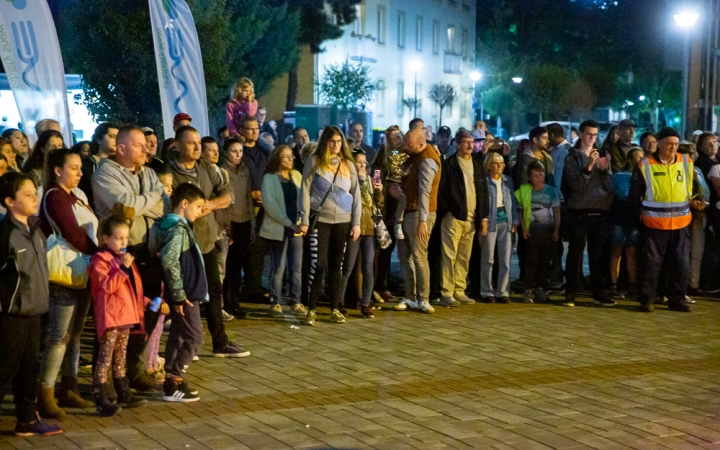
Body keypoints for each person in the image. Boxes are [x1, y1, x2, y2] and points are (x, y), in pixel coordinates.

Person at [92, 126, 168, 391]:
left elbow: (165, 206)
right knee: (116, 321)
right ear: (121, 148)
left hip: (149, 252)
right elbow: (124, 207)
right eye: (138, 145)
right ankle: (107, 379)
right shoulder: (106, 172)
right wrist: (150, 200)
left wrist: (140, 204)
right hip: (119, 256)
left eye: (146, 144)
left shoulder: (148, 172)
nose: (146, 149)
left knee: (144, 316)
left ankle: (133, 371)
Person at [166, 126, 249, 357]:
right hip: (183, 243)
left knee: (214, 289)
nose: (196, 147)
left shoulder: (206, 168)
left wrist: (211, 205)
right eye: (191, 143)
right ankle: (182, 345)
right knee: (185, 293)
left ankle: (220, 341)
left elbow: (229, 192)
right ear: (178, 145)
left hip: (207, 240)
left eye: (198, 143)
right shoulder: (169, 171)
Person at [37, 148, 98, 419]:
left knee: (73, 335)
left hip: (82, 274)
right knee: (59, 336)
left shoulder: (75, 197)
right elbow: (72, 233)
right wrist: (100, 253)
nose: (80, 173)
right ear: (57, 170)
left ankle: (69, 387)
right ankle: (45, 393)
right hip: (64, 275)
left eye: (80, 168)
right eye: (74, 168)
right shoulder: (55, 197)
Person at [0, 172, 63, 437]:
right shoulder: (5, 235)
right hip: (11, 315)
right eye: (26, 195)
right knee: (4, 368)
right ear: (9, 201)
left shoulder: (36, 228)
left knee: (29, 369)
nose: (34, 198)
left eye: (33, 192)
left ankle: (26, 419)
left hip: (35, 310)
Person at [630, 127, 697, 312]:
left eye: (676, 144)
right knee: (650, 264)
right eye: (669, 144)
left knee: (680, 264)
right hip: (653, 224)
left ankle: (677, 299)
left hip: (681, 223)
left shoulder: (686, 162)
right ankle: (647, 299)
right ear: (659, 144)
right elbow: (635, 196)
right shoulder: (644, 165)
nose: (673, 148)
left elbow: (692, 189)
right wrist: (639, 219)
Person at [150, 183, 207, 402]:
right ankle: (175, 377)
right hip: (185, 295)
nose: (200, 211)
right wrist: (179, 294)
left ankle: (170, 385)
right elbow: (170, 260)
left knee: (178, 335)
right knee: (194, 337)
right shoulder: (176, 229)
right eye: (198, 206)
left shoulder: (175, 227)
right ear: (184, 203)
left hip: (185, 293)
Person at [299, 126, 361, 325]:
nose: (335, 145)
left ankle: (335, 308)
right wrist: (304, 219)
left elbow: (356, 194)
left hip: (343, 221)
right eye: (332, 141)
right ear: (325, 142)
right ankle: (312, 309)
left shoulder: (348, 164)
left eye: (339, 141)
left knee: (337, 265)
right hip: (322, 220)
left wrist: (356, 222)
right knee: (320, 265)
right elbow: (305, 190)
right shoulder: (315, 161)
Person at [88, 216, 149, 416]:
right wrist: (123, 268)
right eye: (118, 238)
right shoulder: (100, 260)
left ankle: (124, 392)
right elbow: (107, 286)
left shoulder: (119, 259)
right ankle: (101, 396)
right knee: (105, 357)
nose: (123, 242)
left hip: (125, 317)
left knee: (120, 356)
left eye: (126, 238)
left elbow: (131, 290)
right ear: (106, 239)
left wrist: (147, 303)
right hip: (111, 317)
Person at [562, 120, 615, 307]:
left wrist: (603, 170)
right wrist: (590, 166)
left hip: (599, 212)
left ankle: (598, 293)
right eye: (588, 134)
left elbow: (609, 187)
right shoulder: (572, 158)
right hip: (578, 212)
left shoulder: (602, 155)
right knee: (575, 254)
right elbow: (577, 187)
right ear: (581, 134)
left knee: (597, 255)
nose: (592, 138)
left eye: (595, 134)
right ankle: (570, 292)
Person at [393, 127, 442, 314]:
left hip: (420, 213)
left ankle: (423, 299)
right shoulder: (413, 155)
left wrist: (423, 220)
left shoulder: (428, 160)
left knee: (419, 257)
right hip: (406, 211)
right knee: (404, 256)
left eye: (409, 145)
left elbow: (425, 192)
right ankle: (410, 297)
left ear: (422, 144)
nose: (405, 148)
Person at [438, 130, 488, 306]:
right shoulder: (449, 164)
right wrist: (448, 210)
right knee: (449, 256)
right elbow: (441, 190)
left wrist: (484, 217)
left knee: (464, 257)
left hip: (472, 218)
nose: (469, 145)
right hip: (454, 217)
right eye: (465, 142)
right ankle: (447, 292)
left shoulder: (477, 165)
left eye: (471, 142)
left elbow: (483, 192)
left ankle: (459, 290)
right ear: (457, 144)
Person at [260, 145, 307, 317]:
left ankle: (296, 301)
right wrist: (289, 223)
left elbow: (304, 199)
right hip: (278, 228)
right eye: (286, 156)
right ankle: (276, 302)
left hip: (296, 228)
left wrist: (302, 221)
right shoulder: (269, 178)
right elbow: (271, 206)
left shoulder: (297, 176)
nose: (290, 159)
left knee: (296, 267)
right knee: (278, 266)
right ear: (277, 159)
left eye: (291, 156)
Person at [338, 148, 384, 318]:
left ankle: (366, 303)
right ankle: (339, 301)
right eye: (359, 162)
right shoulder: (348, 181)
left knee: (368, 268)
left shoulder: (372, 180)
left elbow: (379, 205)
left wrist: (379, 191)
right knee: (348, 266)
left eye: (365, 162)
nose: (363, 165)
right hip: (354, 227)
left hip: (370, 228)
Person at [200, 136, 238, 321]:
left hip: (221, 229)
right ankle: (204, 306)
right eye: (211, 150)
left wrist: (228, 228)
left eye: (217, 149)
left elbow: (229, 200)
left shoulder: (222, 173)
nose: (216, 153)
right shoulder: (201, 173)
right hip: (206, 229)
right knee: (205, 272)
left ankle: (218, 307)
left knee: (220, 272)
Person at [220, 137, 256, 317]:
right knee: (227, 265)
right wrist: (226, 226)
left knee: (238, 266)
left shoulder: (245, 170)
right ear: (226, 152)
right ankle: (225, 302)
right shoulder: (221, 171)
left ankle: (235, 301)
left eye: (240, 151)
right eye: (234, 151)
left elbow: (248, 198)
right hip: (229, 222)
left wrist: (252, 223)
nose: (238, 154)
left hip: (244, 221)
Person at [516, 161, 561, 303]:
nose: (539, 178)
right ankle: (528, 289)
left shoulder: (551, 191)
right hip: (532, 231)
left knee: (544, 261)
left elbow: (556, 211)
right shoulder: (526, 191)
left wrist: (556, 229)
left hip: (547, 230)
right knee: (531, 261)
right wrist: (523, 228)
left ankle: (540, 288)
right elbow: (521, 211)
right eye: (535, 175)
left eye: (540, 174)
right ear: (530, 177)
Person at [239, 116, 269, 303]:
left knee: (259, 248)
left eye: (256, 128)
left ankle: (254, 287)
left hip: (264, 205)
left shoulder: (264, 151)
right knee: (245, 247)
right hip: (244, 204)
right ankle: (244, 287)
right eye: (249, 129)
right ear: (241, 130)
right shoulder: (238, 152)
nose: (254, 132)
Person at [480, 152, 517, 303]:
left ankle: (503, 291)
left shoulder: (507, 181)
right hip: (490, 221)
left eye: (501, 163)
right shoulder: (484, 182)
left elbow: (513, 201)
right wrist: (483, 219)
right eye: (495, 163)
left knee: (505, 258)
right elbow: (482, 202)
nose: (499, 166)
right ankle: (486, 291)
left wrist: (514, 220)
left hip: (505, 221)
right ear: (489, 165)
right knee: (488, 258)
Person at [372, 126, 404, 301]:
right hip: (385, 208)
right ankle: (378, 285)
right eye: (394, 138)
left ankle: (384, 283)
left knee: (391, 247)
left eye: (399, 137)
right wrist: (384, 191)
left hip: (399, 206)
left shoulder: (404, 155)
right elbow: (376, 179)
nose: (397, 141)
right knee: (382, 248)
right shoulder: (382, 157)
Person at [609, 147, 643, 299]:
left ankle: (632, 285)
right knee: (616, 251)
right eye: (637, 156)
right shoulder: (619, 175)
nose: (641, 159)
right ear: (630, 159)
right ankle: (613, 285)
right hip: (619, 214)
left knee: (631, 252)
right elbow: (612, 194)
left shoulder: (643, 176)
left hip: (633, 216)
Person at [546, 122, 572, 288]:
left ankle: (564, 276)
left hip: (563, 201)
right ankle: (556, 274)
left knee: (561, 239)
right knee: (553, 241)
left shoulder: (568, 150)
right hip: (553, 200)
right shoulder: (553, 150)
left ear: (553, 135)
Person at [80, 123, 118, 207]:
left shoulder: (122, 165)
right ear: (99, 139)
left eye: (118, 137)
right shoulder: (85, 164)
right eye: (112, 136)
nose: (116, 140)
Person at [22, 130, 64, 198]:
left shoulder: (64, 166)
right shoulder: (34, 170)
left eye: (60, 146)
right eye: (52, 146)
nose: (57, 150)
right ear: (43, 148)